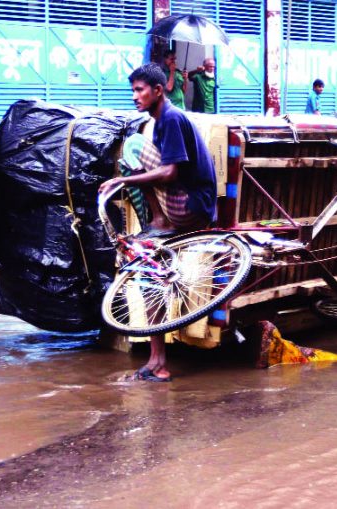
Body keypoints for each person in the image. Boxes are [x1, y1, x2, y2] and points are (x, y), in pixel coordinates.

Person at [98, 62, 217, 382]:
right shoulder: (159, 119)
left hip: (191, 206)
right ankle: (157, 361)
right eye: (133, 90)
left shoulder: (171, 119)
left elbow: (170, 173)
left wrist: (119, 183)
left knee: (132, 149)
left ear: (158, 90)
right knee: (148, 273)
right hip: (183, 201)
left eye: (140, 90)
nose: (135, 96)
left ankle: (160, 218)